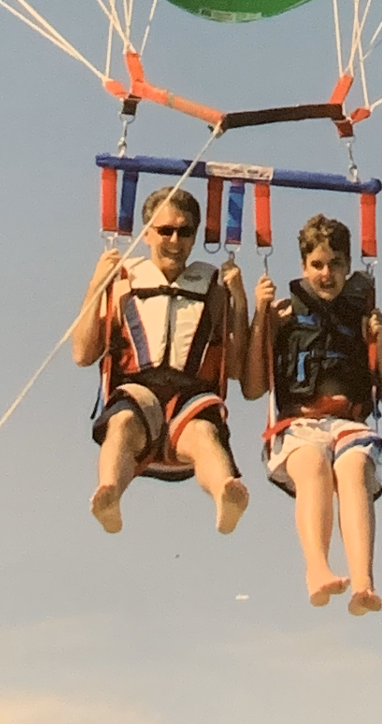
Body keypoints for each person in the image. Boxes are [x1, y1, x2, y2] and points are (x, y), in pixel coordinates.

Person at [242, 213, 382, 614]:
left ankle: (364, 584)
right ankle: (317, 569)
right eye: (317, 265)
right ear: (303, 267)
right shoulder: (284, 315)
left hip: (349, 425)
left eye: (335, 264)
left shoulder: (364, 317)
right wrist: (260, 320)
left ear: (348, 266)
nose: (326, 273)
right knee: (314, 467)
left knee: (354, 472)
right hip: (298, 424)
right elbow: (252, 389)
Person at [71, 183, 250, 536]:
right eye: (165, 230)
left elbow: (238, 368)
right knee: (122, 424)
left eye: (184, 231)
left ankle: (225, 493)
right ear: (148, 233)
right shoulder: (124, 281)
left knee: (204, 433)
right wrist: (96, 286)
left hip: (192, 398)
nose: (174, 239)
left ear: (195, 236)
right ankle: (109, 492)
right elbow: (82, 354)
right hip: (138, 394)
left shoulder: (212, 286)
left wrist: (240, 302)